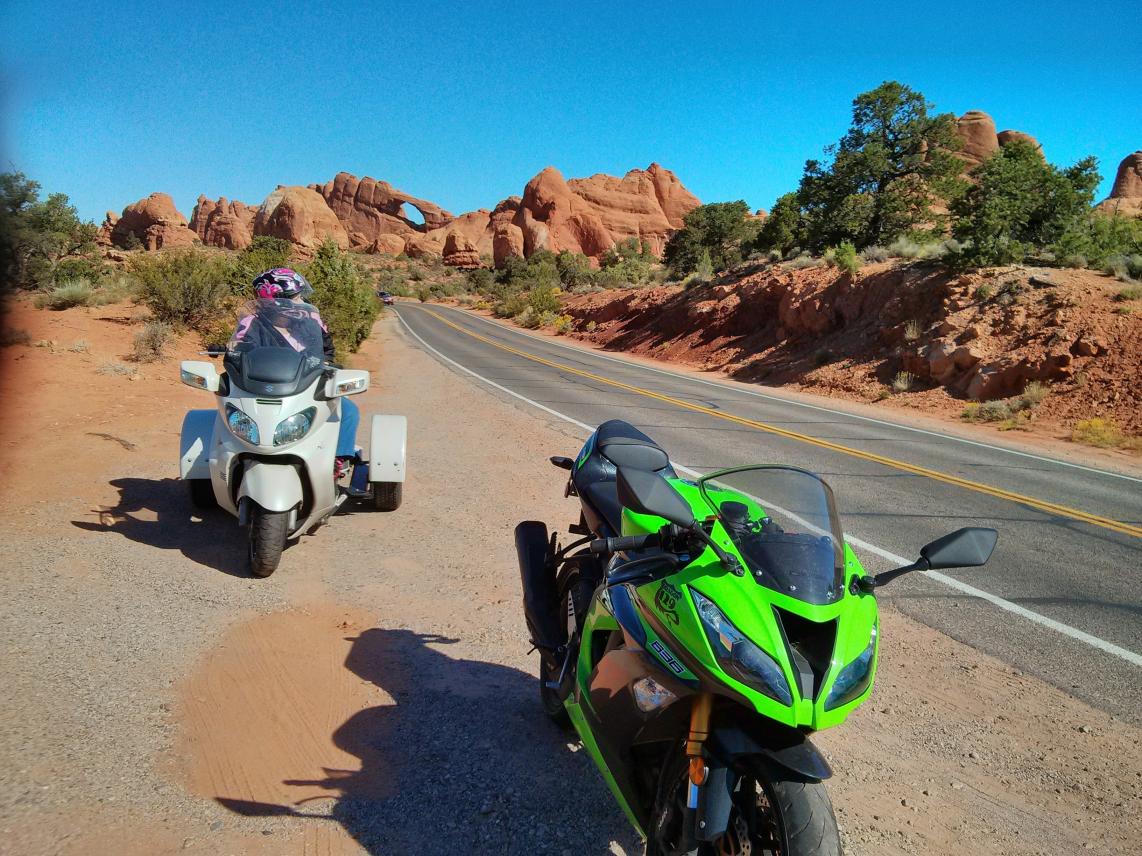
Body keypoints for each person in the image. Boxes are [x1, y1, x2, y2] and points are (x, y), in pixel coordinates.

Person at [236, 268, 360, 476]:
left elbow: (326, 350)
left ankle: (337, 458)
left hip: (306, 384)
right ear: (277, 300)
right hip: (263, 387)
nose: (301, 301)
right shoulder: (252, 324)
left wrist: (325, 362)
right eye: (296, 296)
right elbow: (241, 349)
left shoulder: (310, 322)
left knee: (347, 410)